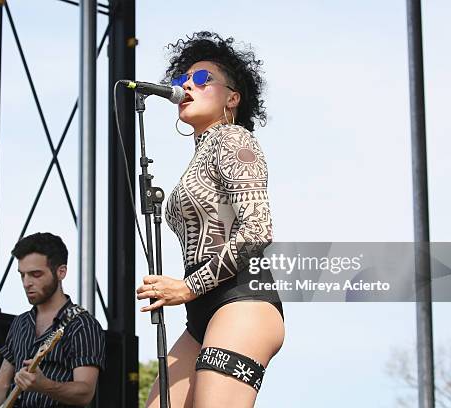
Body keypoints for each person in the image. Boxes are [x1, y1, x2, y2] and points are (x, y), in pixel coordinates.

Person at [136, 31, 285, 408]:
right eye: (182, 80)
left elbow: (257, 229)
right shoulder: (200, 153)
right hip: (201, 310)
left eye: (202, 79)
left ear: (232, 98)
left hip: (241, 298)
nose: (187, 84)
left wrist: (187, 287)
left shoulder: (235, 139)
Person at [0, 232, 106, 408]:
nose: (26, 282)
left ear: (61, 272)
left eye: (35, 274)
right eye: (22, 275)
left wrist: (43, 385)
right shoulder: (20, 323)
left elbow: (85, 392)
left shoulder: (82, 325)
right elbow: (1, 384)